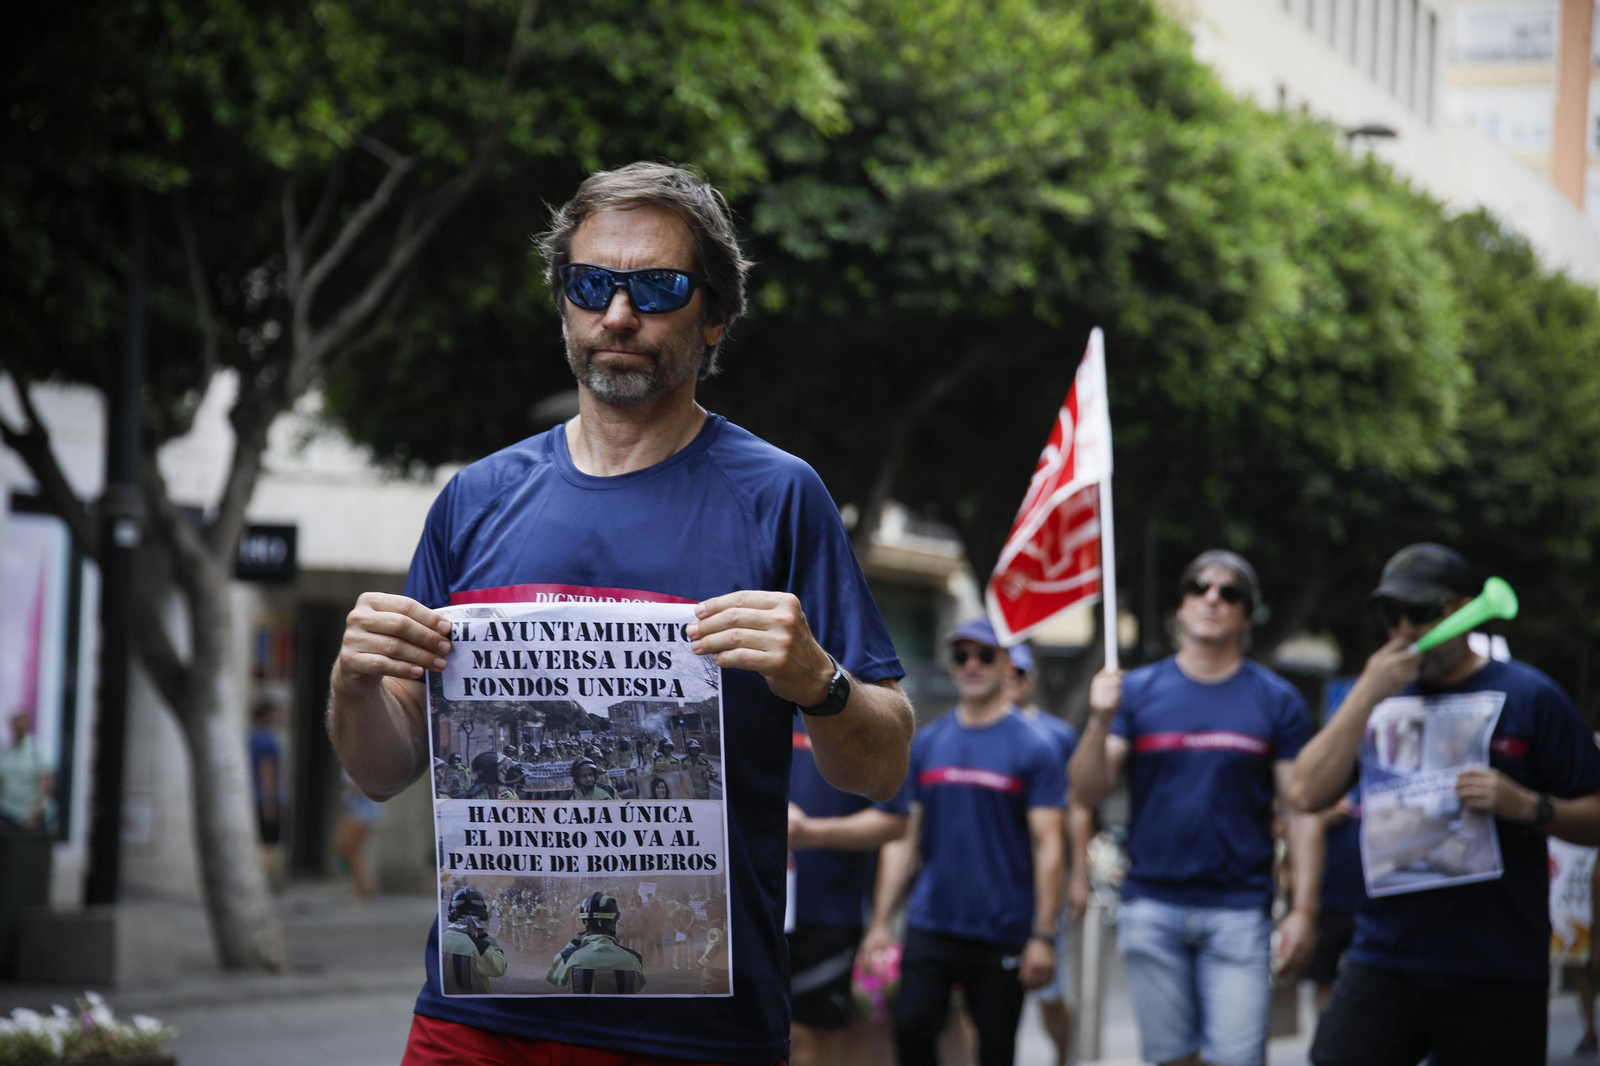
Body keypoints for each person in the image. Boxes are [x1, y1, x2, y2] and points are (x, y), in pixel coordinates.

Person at [327, 161, 913, 1064]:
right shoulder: (474, 500)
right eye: (591, 284)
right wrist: (354, 683)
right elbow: (382, 768)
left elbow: (880, 767)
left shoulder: (780, 496)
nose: (619, 314)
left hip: (697, 1031)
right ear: (565, 304)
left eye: (659, 288)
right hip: (477, 1021)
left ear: (713, 316)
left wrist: (820, 682)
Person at [1288, 543, 1600, 1066]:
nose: (1405, 627)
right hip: (1384, 956)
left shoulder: (1530, 697)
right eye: (1392, 613)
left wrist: (1530, 807)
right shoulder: (1378, 695)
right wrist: (1366, 694)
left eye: (1421, 611)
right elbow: (1304, 793)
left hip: (1495, 965)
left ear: (1461, 610)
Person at [1069, 550, 1322, 1066]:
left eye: (1230, 593)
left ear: (1247, 615)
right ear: (1181, 606)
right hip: (1151, 908)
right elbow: (1086, 791)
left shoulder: (1277, 701)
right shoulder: (1135, 693)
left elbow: (1301, 812)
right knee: (1171, 1060)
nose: (1212, 598)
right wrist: (1098, 720)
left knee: (1237, 1059)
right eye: (1199, 587)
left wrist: (1303, 910)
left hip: (1240, 911)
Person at [864, 618, 1065, 1066]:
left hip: (1002, 929)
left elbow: (1048, 845)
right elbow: (903, 839)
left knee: (994, 1051)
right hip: (931, 921)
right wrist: (880, 921)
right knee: (911, 1032)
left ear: (1007, 664)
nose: (972, 664)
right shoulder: (928, 743)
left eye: (985, 655)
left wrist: (1043, 936)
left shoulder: (1035, 748)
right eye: (961, 655)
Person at [786, 717, 911, 1066]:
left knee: (808, 1041)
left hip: (827, 911)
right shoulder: (749, 698)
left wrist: (811, 833)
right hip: (748, 910)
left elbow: (895, 821)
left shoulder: (858, 709)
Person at [1006, 642, 1093, 1066]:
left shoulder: (1055, 735)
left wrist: (1079, 876)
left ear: (1030, 680)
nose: (1009, 681)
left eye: (1017, 673)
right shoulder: (966, 729)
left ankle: (1063, 1055)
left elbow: (1077, 808)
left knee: (1049, 990)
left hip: (1042, 882)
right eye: (1002, 669)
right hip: (993, 882)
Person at [1305, 792, 1364, 1013]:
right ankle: (1325, 1036)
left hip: (1370, 902)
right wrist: (1323, 816)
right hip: (1327, 899)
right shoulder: (1329, 777)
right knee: (1323, 978)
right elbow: (1295, 818)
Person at [546, 892, 648, 994]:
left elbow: (553, 978)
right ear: (613, 922)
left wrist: (573, 944)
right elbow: (639, 984)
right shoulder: (634, 958)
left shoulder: (568, 956)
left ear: (585, 922)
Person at [441, 888, 508, 994]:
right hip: (475, 1005)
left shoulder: (439, 940)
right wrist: (484, 936)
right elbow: (500, 968)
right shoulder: (480, 947)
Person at [248, 700, 285, 889]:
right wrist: (270, 806)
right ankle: (264, 885)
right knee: (269, 845)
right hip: (265, 800)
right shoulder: (268, 741)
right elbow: (267, 774)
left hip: (250, 799)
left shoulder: (249, 738)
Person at [335, 771, 383, 901]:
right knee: (343, 845)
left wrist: (352, 788)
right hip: (352, 806)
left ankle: (363, 886)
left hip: (364, 808)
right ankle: (364, 883)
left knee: (352, 848)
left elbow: (367, 784)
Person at [0, 710, 51, 832]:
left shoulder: (35, 751)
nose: (19, 727)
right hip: (7, 812)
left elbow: (44, 783)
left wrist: (36, 811)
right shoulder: (6, 751)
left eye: (22, 723)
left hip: (29, 815)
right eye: (16, 723)